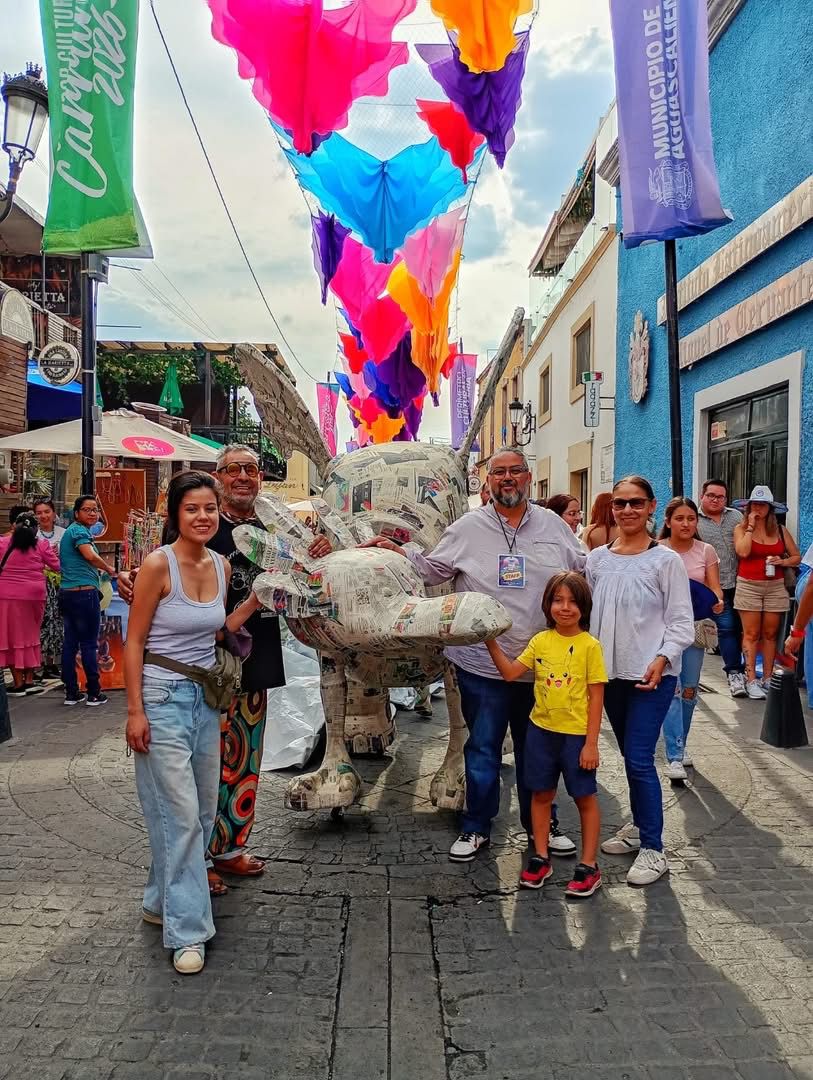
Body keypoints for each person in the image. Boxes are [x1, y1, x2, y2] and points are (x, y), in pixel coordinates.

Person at [361, 446, 586, 862]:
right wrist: (399, 551)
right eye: (498, 472)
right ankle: (477, 826)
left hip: (541, 666)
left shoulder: (554, 525)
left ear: (527, 476)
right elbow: (432, 570)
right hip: (482, 664)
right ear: (487, 482)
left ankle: (544, 824)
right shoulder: (467, 527)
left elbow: (584, 570)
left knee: (536, 750)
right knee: (481, 747)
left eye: (515, 471)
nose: (507, 479)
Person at [124, 471, 261, 975]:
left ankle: (160, 900)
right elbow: (134, 641)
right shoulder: (158, 566)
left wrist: (258, 599)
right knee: (179, 815)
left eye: (209, 508)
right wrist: (135, 711)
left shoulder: (222, 564)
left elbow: (219, 630)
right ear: (175, 515)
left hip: (204, 702)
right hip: (159, 700)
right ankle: (188, 931)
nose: (202, 517)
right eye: (192, 509)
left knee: (201, 812)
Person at [205, 445, 330, 893]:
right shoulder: (203, 522)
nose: (243, 476)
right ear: (218, 477)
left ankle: (231, 848)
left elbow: (309, 577)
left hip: (255, 656)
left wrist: (318, 548)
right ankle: (198, 858)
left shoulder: (272, 529)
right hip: (207, 660)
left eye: (251, 469)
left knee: (245, 758)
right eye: (233, 469)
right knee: (206, 761)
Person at [588, 476, 694, 886]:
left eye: (636, 503)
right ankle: (637, 827)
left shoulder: (665, 561)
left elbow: (682, 621)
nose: (627, 511)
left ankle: (654, 848)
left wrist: (664, 656)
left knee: (637, 758)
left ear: (652, 508)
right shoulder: (597, 560)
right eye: (620, 503)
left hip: (651, 677)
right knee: (634, 760)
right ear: (611, 508)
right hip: (608, 676)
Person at [485, 572, 606, 897]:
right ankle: (540, 856)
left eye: (572, 602)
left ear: (584, 607)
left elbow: (596, 697)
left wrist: (591, 743)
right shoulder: (540, 641)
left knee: (584, 798)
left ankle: (589, 865)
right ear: (547, 604)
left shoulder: (589, 646)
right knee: (540, 794)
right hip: (541, 732)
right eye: (557, 600)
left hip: (576, 737)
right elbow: (511, 673)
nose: (564, 608)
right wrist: (489, 640)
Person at [658, 498, 724, 781]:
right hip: (662, 629)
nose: (686, 524)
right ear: (668, 521)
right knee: (670, 688)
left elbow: (715, 589)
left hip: (695, 629)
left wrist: (718, 602)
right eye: (680, 518)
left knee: (689, 691)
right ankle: (674, 754)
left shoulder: (706, 550)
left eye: (691, 519)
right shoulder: (656, 549)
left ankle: (680, 743)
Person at [732, 485, 800, 700]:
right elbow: (742, 552)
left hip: (775, 585)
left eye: (763, 505)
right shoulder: (741, 528)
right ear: (749, 506)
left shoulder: (779, 530)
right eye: (755, 504)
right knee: (751, 634)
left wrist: (782, 560)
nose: (758, 508)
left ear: (770, 508)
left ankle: (768, 678)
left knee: (770, 634)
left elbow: (796, 557)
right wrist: (751, 526)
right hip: (749, 584)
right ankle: (750, 679)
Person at [59, 496, 118, 707]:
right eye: (87, 510)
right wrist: (109, 568)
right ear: (76, 514)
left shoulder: (74, 531)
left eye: (95, 510)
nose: (92, 514)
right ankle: (94, 692)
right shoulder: (78, 532)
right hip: (83, 594)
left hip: (68, 593)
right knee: (88, 644)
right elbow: (89, 555)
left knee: (71, 643)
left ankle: (71, 692)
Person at [696, 479, 746, 698]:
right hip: (714, 586)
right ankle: (734, 673)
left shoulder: (735, 516)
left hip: (742, 583)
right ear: (702, 496)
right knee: (726, 629)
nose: (716, 500)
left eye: (720, 496)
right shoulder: (693, 520)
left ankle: (753, 675)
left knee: (745, 630)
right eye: (711, 496)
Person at [0, 511, 59, 696]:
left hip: (7, 595)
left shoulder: (2, 543)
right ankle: (30, 680)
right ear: (35, 530)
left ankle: (17, 683)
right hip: (34, 596)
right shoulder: (42, 545)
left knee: (10, 638)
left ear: (14, 528)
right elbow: (58, 566)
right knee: (31, 636)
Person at [33, 498, 66, 680]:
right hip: (39, 584)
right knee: (41, 624)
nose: (43, 516)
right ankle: (38, 663)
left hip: (60, 583)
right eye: (39, 512)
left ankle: (53, 663)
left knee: (57, 622)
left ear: (54, 514)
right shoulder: (32, 535)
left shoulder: (64, 533)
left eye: (46, 512)